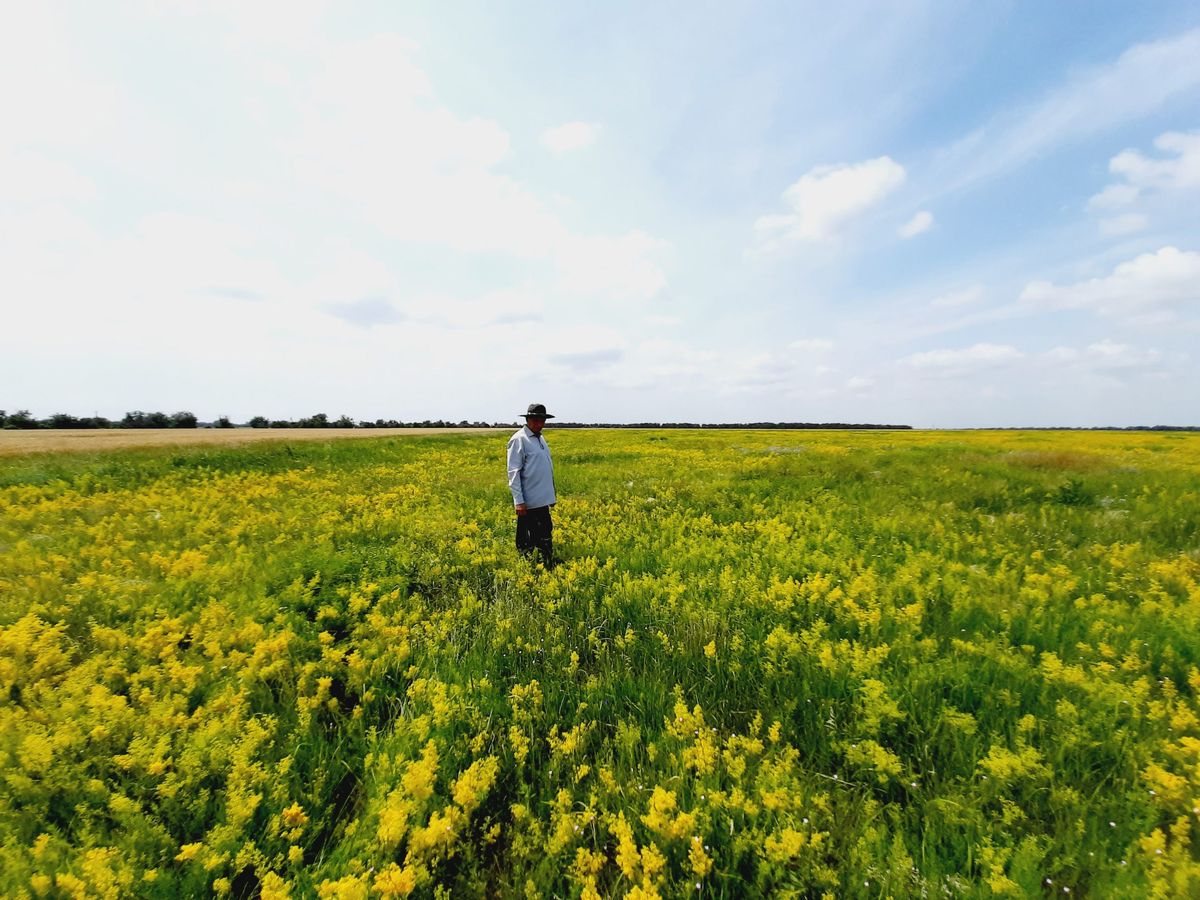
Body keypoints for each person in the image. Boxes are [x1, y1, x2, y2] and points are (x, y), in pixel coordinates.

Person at [506, 403, 557, 567]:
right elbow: (513, 472)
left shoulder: (540, 438)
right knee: (527, 539)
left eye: (542, 420)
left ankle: (547, 565)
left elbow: (546, 468)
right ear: (528, 419)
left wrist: (552, 495)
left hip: (543, 500)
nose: (540, 424)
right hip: (528, 502)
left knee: (546, 533)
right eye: (536, 420)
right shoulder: (519, 439)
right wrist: (519, 501)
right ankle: (527, 569)